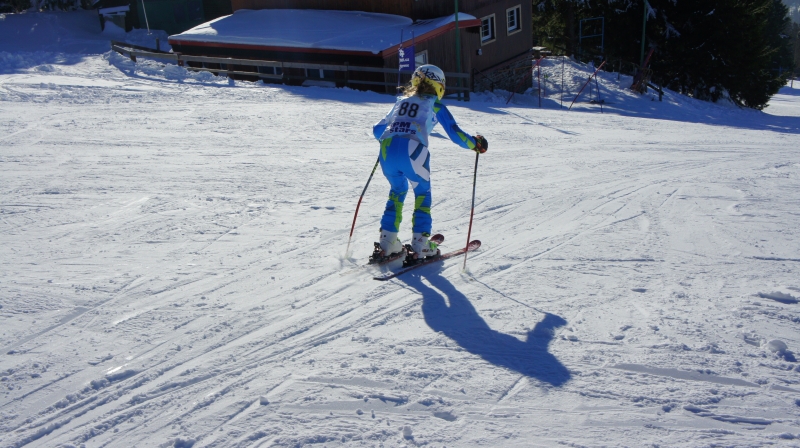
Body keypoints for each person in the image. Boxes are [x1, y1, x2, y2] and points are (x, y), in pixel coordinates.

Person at [371, 64, 488, 263]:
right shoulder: (435, 104)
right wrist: (475, 144)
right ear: (439, 85)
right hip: (413, 149)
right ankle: (420, 245)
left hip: (387, 149)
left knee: (397, 191)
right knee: (422, 193)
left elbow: (377, 130)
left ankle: (387, 242)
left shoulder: (401, 102)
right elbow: (455, 134)